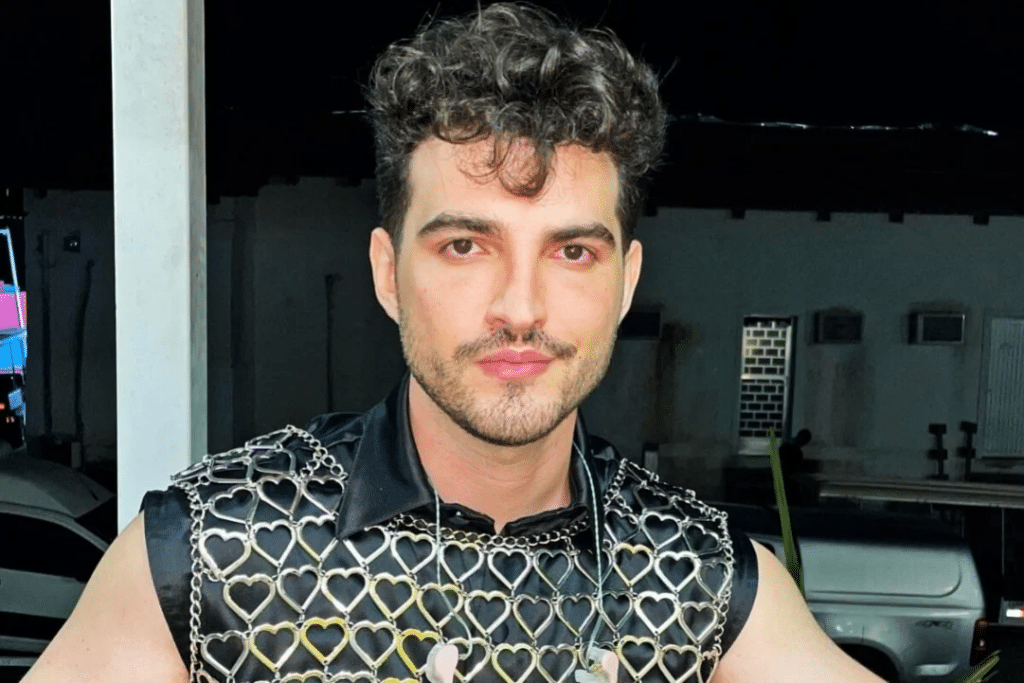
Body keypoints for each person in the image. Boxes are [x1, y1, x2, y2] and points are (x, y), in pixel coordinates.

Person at [24, 4, 884, 682]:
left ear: (625, 282)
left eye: (572, 252)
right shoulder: (206, 551)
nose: (520, 307)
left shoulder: (701, 581)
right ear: (387, 272)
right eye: (466, 245)